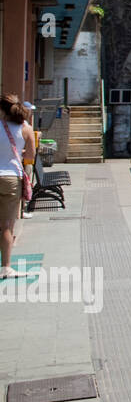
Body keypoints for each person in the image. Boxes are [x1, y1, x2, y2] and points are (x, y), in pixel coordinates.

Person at [0, 94, 36, 278]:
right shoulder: (26, 128)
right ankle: (6, 267)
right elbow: (30, 155)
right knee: (6, 225)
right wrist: (17, 152)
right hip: (11, 179)